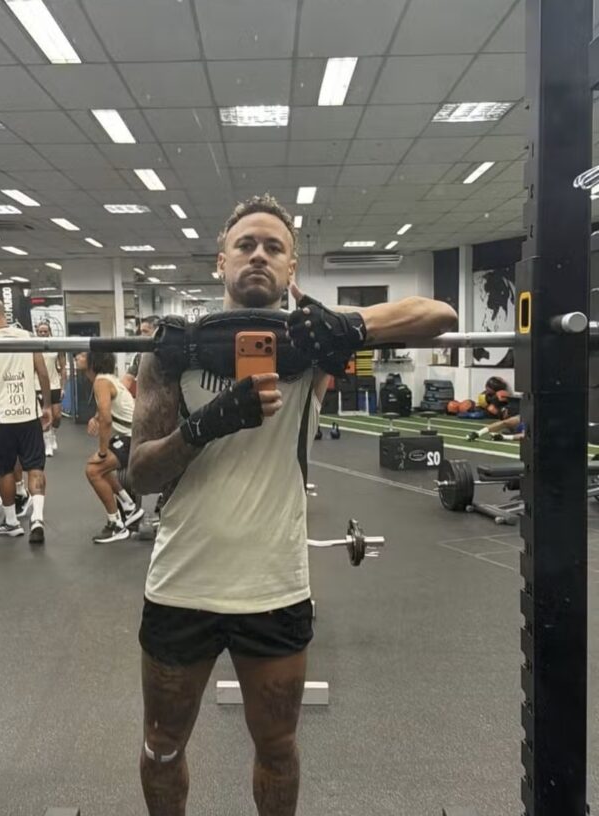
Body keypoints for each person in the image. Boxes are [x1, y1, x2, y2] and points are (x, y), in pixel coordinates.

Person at [127, 194, 458, 816]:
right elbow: (139, 476)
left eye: (273, 247)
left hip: (274, 586)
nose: (258, 255)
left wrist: (348, 326)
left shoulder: (311, 342)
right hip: (180, 584)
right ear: (221, 261)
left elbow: (438, 314)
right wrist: (204, 427)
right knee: (162, 747)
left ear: (290, 266)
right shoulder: (175, 351)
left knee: (277, 748)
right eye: (246, 245)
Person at [0, 298, 51, 544]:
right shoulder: (27, 336)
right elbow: (43, 372)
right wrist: (46, 405)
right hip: (28, 414)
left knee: (5, 470)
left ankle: (11, 522)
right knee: (35, 467)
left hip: (0, 418)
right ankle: (38, 518)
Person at [76, 351, 144, 543]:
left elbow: (107, 419)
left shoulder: (101, 382)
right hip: (132, 436)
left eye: (82, 355)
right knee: (101, 469)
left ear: (93, 361)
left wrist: (103, 452)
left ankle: (116, 525)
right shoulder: (106, 379)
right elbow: (107, 409)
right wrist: (95, 418)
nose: (77, 357)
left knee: (93, 470)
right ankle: (129, 506)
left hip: (133, 438)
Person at [34, 322, 66, 457]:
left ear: (49, 332)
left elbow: (63, 368)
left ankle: (52, 433)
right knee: (45, 415)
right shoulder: (33, 347)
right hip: (38, 385)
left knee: (57, 416)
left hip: (54, 385)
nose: (43, 334)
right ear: (37, 333)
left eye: (45, 331)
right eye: (40, 331)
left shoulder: (56, 346)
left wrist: (63, 387)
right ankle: (47, 443)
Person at [122, 316, 159, 397]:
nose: (142, 335)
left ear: (157, 332)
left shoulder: (168, 354)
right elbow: (128, 379)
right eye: (141, 332)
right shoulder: (139, 356)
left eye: (145, 331)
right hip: (148, 398)